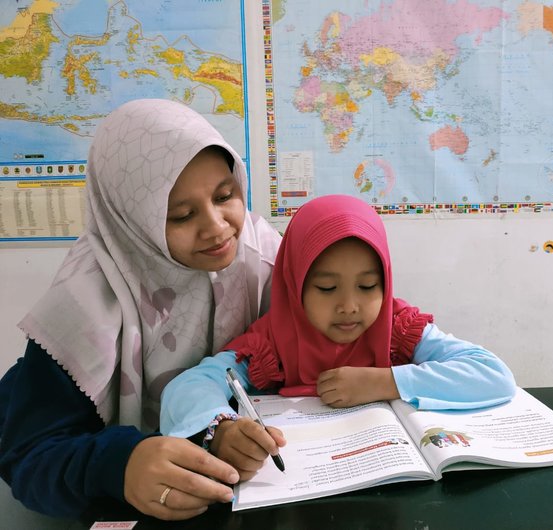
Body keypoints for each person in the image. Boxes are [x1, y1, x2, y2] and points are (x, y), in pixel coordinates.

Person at [0, 99, 282, 520]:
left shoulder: (261, 254)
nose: (217, 226)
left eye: (226, 195)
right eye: (181, 215)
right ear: (132, 221)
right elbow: (29, 455)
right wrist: (120, 465)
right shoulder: (87, 298)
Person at [160, 194, 517, 481]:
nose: (349, 306)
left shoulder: (397, 328)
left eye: (367, 286)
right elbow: (191, 386)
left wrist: (385, 381)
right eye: (327, 288)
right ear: (295, 284)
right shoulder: (272, 343)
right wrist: (221, 429)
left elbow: (492, 374)